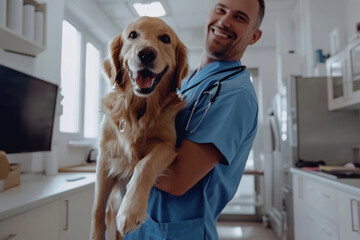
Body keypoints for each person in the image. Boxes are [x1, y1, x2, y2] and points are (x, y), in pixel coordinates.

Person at [124, 0, 264, 239]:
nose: (224, 21)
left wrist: (118, 148)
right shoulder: (185, 82)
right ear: (210, 14)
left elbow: (177, 179)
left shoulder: (233, 93)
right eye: (220, 10)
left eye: (240, 18)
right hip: (143, 226)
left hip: (177, 233)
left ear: (254, 36)